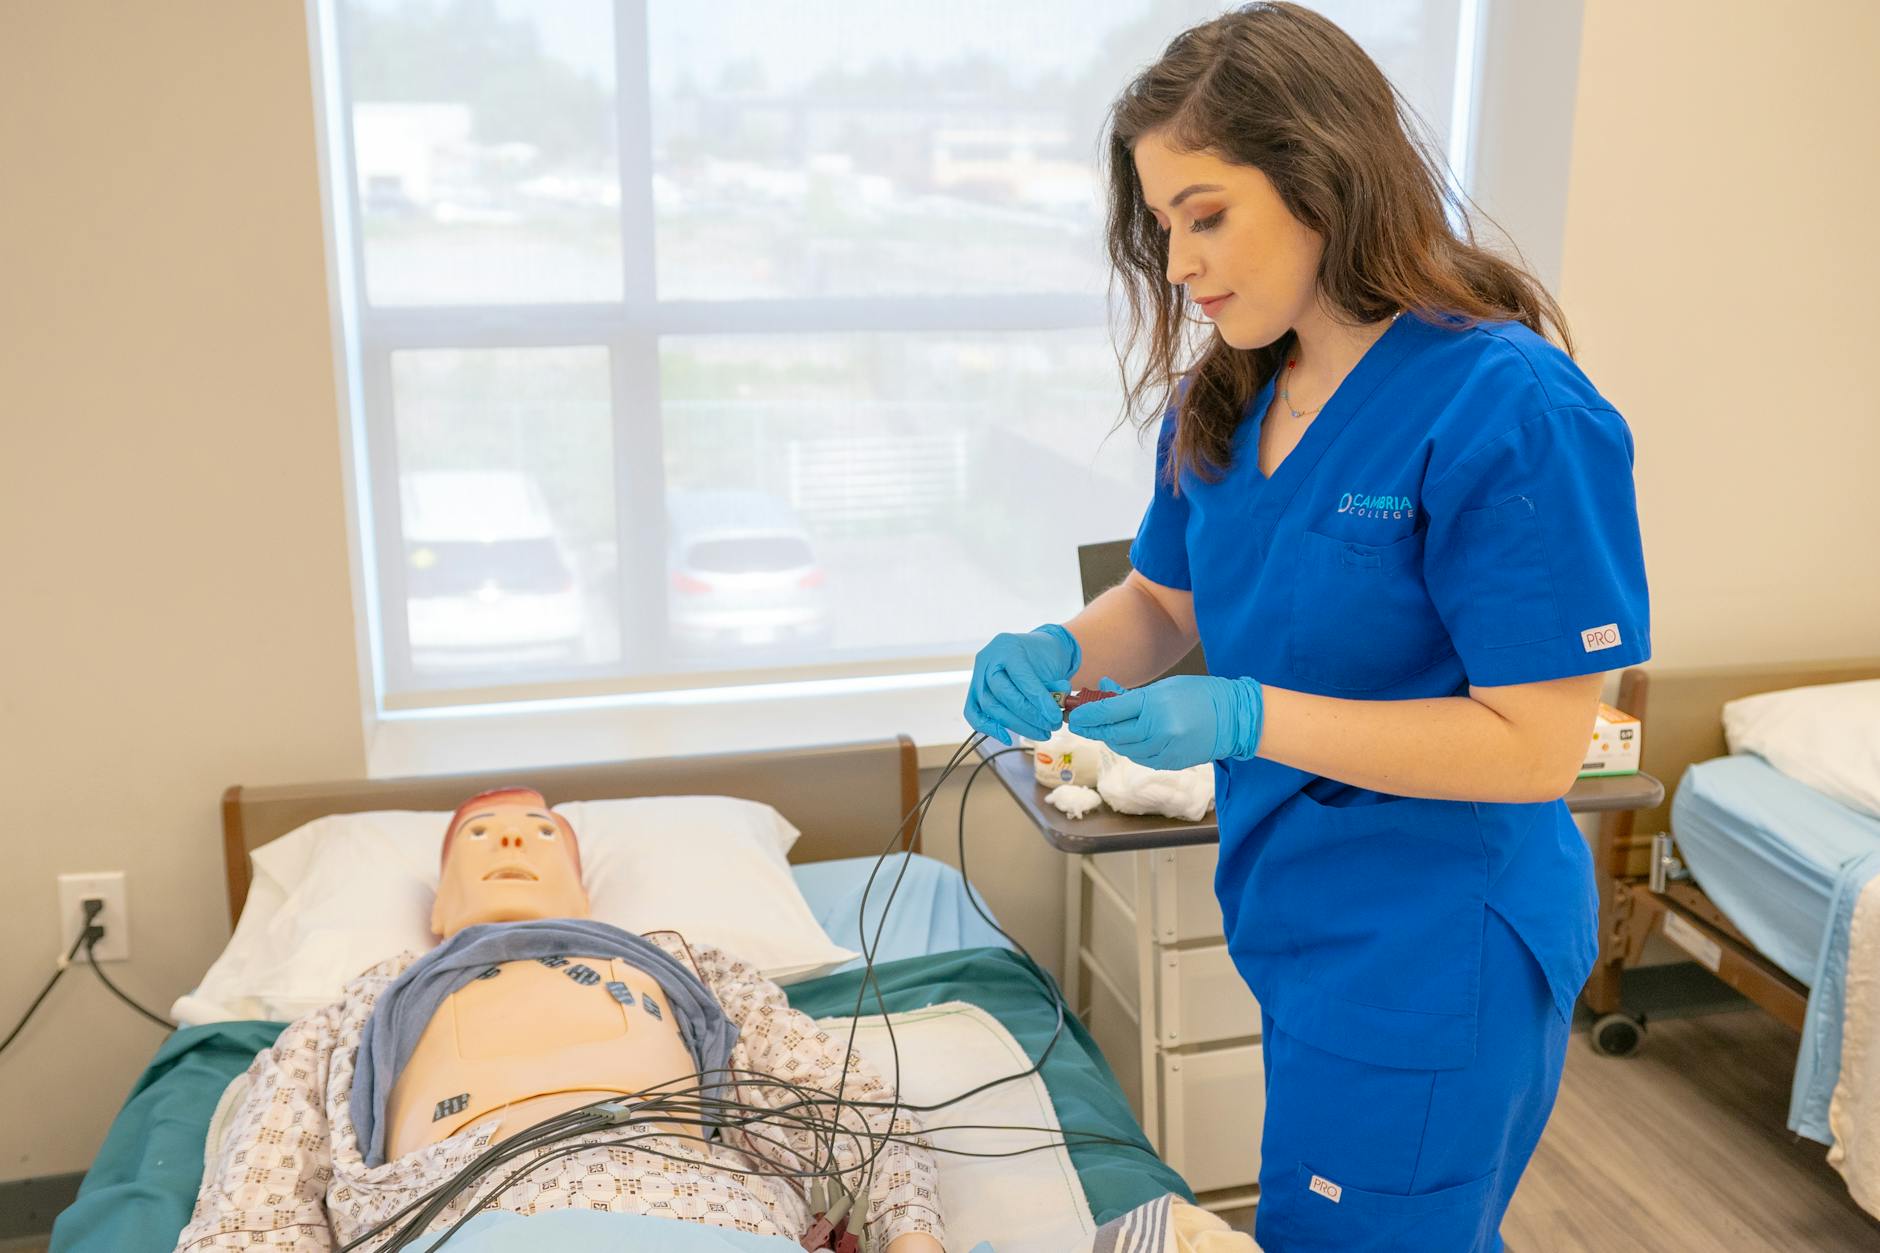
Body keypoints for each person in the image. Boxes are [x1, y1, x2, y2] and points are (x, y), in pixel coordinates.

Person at [964, 5, 1648, 1250]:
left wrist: (1246, 715)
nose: (1177, 263)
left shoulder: (1507, 406)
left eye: (1205, 214)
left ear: (1320, 175)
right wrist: (1056, 650)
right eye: (1162, 225)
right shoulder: (1227, 390)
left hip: (1436, 945)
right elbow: (1161, 601)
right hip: (1298, 920)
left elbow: (1536, 746)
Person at [175, 787, 945, 1252]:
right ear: (438, 905)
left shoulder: (686, 964)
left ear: (583, 892)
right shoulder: (361, 1002)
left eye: (543, 833)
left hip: (699, 1211)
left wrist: (911, 1231)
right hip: (461, 1218)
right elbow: (260, 1191)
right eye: (479, 835)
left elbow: (843, 1104)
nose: (512, 838)